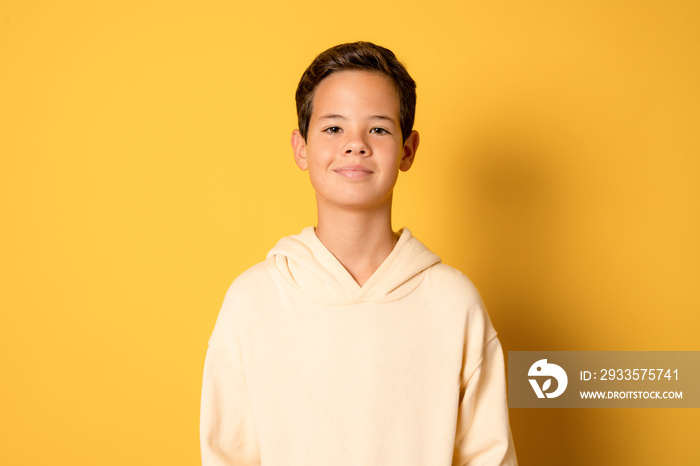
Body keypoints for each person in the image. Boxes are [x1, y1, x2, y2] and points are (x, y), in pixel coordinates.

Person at [200, 41, 517, 465]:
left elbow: (488, 456)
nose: (356, 144)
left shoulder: (455, 303)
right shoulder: (252, 301)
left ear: (407, 149)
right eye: (333, 128)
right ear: (301, 147)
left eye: (379, 129)